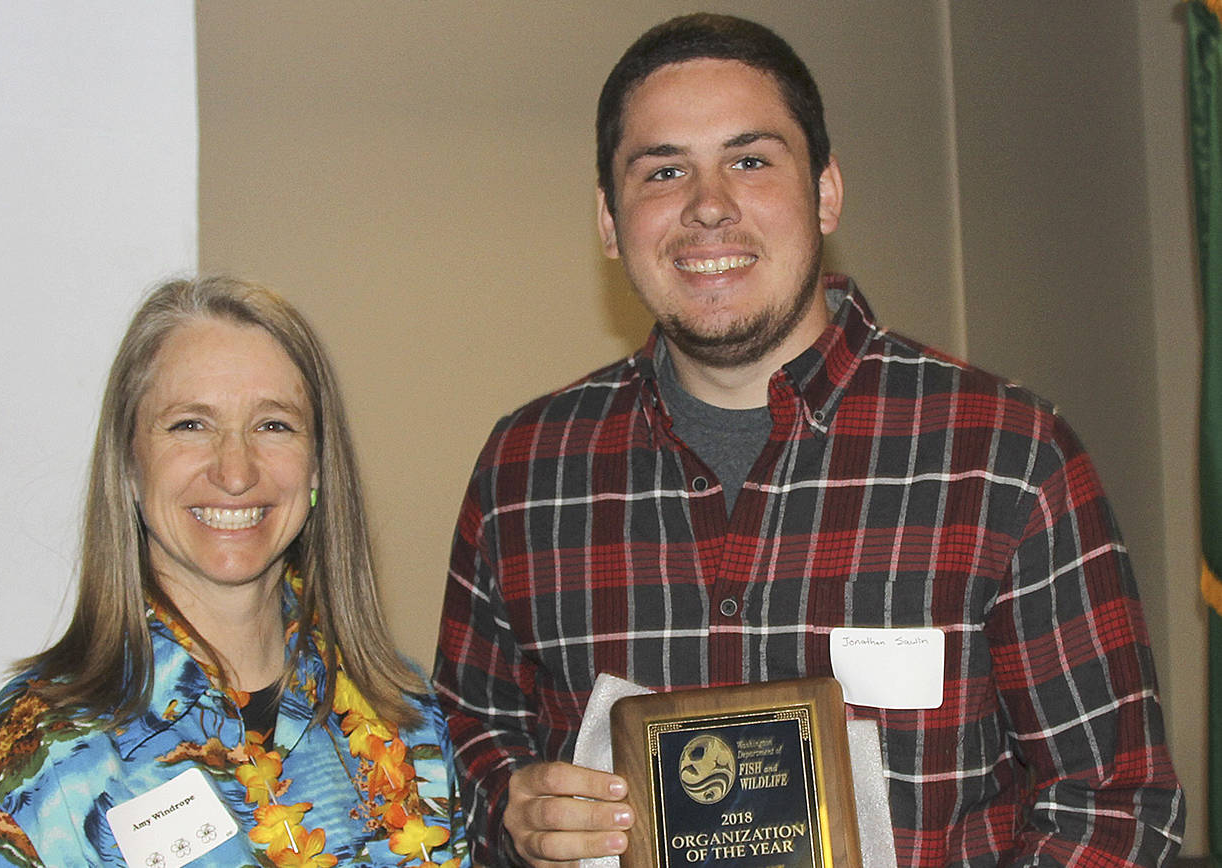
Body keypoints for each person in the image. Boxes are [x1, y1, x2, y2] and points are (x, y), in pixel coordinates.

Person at [433, 13, 1183, 868]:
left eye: (750, 160)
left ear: (826, 192)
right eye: (663, 170)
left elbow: (1117, 809)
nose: (707, 205)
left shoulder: (1006, 459)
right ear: (609, 222)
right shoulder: (525, 473)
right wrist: (509, 811)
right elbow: (467, 746)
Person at [0, 276, 469, 868]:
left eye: (274, 425)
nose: (235, 471)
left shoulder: (408, 717)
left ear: (317, 466)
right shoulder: (45, 756)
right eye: (190, 424)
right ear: (131, 467)